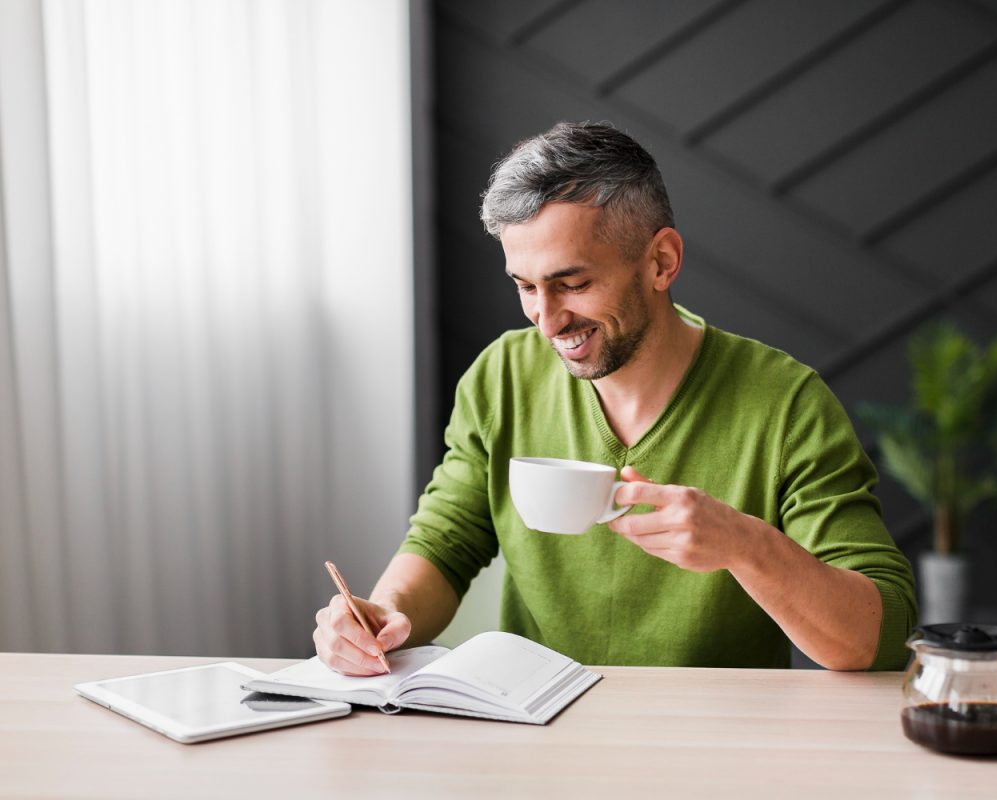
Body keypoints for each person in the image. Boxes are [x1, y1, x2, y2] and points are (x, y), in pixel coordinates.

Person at [313, 122, 916, 674]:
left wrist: (744, 543)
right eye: (525, 287)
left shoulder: (787, 406)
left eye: (572, 284)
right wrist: (385, 614)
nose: (547, 322)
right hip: (536, 728)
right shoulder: (503, 374)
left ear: (661, 261)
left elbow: (878, 637)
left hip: (716, 749)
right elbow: (447, 539)